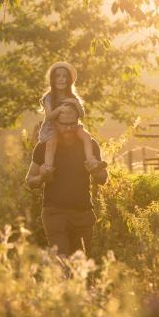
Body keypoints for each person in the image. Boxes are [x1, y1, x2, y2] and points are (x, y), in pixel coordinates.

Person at [25, 103, 108, 256]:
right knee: (63, 262)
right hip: (55, 213)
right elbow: (30, 181)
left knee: (82, 267)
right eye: (64, 124)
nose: (69, 128)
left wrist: (95, 172)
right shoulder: (43, 147)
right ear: (55, 122)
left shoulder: (89, 144)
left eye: (73, 124)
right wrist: (42, 177)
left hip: (83, 214)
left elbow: (103, 179)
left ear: (79, 122)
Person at [38, 61, 102, 175]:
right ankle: (48, 168)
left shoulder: (72, 96)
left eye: (64, 76)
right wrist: (58, 110)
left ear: (69, 80)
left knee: (86, 136)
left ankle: (91, 162)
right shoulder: (49, 97)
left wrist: (75, 103)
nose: (61, 79)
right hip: (53, 125)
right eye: (57, 76)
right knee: (51, 143)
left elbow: (82, 115)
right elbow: (49, 117)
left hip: (72, 124)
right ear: (52, 79)